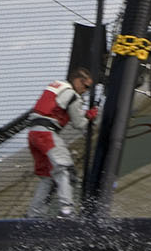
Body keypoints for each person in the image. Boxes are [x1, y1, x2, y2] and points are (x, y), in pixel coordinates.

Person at [26, 68, 97, 218]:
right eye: (86, 87)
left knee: (47, 176)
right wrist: (90, 116)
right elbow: (79, 124)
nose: (85, 91)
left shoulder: (56, 86)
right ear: (78, 81)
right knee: (64, 169)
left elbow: (56, 108)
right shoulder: (72, 94)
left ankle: (34, 215)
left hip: (33, 134)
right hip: (46, 134)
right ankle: (66, 210)